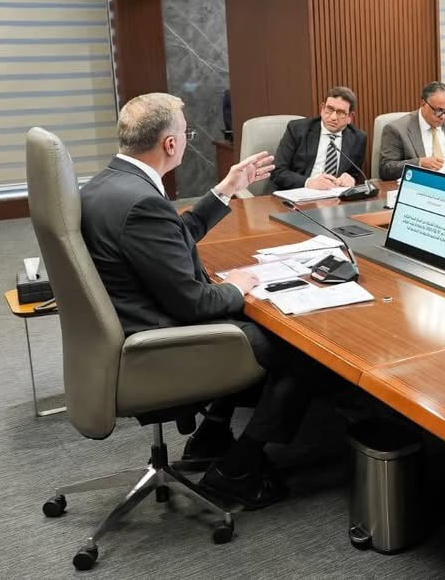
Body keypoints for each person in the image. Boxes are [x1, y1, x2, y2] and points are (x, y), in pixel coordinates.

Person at [81, 93, 323, 508]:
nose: (185, 139)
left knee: (254, 323)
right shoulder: (142, 202)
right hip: (157, 342)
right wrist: (238, 287)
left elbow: (172, 238)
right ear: (170, 144)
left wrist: (227, 189)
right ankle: (238, 470)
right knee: (300, 350)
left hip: (129, 323)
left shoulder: (108, 184)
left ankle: (210, 434)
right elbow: (196, 304)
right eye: (185, 133)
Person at [271, 86, 366, 191]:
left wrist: (351, 179)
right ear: (322, 108)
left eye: (340, 113)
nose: (333, 117)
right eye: (329, 109)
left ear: (350, 117)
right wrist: (308, 182)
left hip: (335, 195)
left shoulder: (358, 138)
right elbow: (277, 171)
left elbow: (355, 173)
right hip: (299, 193)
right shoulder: (297, 130)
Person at [378, 81, 445, 180]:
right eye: (438, 110)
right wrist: (419, 163)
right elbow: (386, 169)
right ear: (423, 104)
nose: (443, 116)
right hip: (419, 183)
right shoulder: (397, 129)